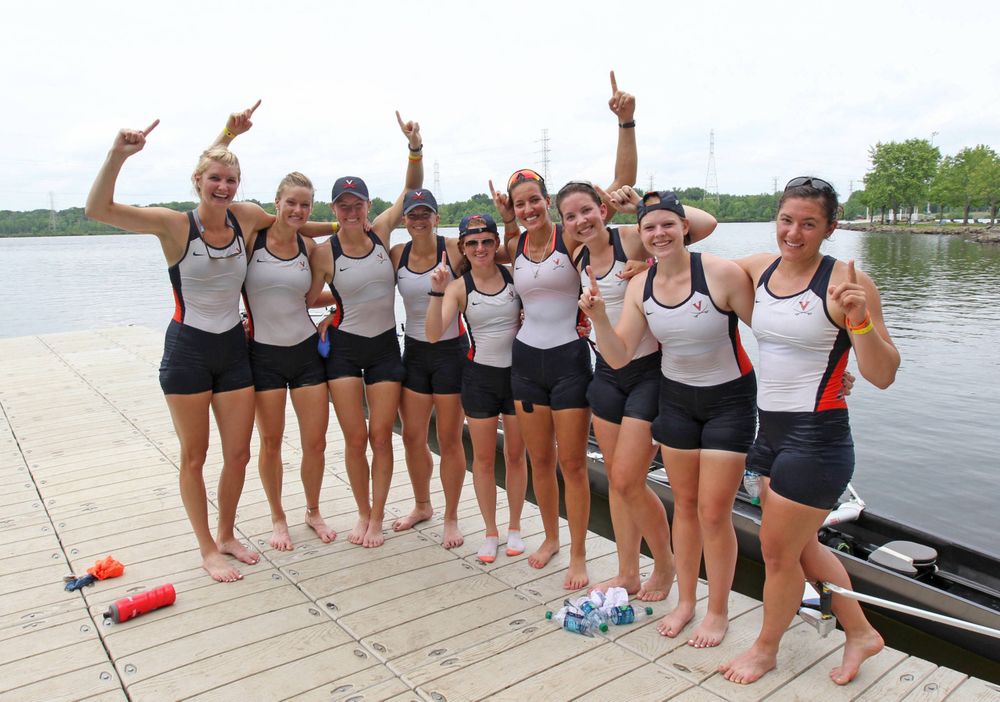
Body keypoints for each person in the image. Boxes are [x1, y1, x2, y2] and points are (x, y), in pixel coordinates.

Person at [719, 177, 898, 685]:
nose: (793, 233)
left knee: (777, 553)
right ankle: (861, 633)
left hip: (817, 440)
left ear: (831, 228)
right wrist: (642, 267)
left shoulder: (846, 283)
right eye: (786, 220)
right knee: (802, 548)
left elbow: (883, 374)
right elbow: (696, 266)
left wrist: (859, 321)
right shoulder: (760, 268)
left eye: (809, 224)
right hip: (770, 434)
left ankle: (765, 650)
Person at [85, 108, 275, 582]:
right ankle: (207, 547)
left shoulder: (247, 218)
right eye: (215, 179)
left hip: (233, 350)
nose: (223, 186)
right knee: (195, 456)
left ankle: (227, 534)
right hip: (188, 351)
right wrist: (117, 155)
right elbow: (98, 210)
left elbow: (293, 225)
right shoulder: (173, 225)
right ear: (197, 181)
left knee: (239, 454)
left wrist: (350, 230)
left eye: (231, 180)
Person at [580, 190, 757, 647]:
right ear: (640, 235)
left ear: (684, 228)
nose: (659, 234)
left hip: (728, 400)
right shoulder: (640, 285)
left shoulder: (720, 273)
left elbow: (772, 333)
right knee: (686, 505)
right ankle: (686, 602)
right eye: (649, 228)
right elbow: (618, 356)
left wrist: (833, 372)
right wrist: (598, 317)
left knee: (714, 513)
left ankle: (717, 611)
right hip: (676, 400)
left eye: (667, 225)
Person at [489, 71, 637, 590]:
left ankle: (577, 554)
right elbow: (485, 259)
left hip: (571, 362)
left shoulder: (570, 238)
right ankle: (549, 537)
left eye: (535, 200)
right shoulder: (512, 247)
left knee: (574, 464)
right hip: (526, 364)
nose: (529, 208)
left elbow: (616, 193)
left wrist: (625, 124)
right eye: (520, 203)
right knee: (540, 459)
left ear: (547, 201)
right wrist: (505, 223)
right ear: (513, 209)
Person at [557, 181, 718, 603]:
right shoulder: (576, 256)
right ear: (564, 224)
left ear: (602, 209)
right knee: (616, 481)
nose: (581, 221)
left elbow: (705, 224)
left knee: (629, 480)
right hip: (606, 372)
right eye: (571, 216)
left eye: (587, 210)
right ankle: (628, 572)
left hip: (648, 373)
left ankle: (664, 565)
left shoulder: (631, 238)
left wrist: (641, 208)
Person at [308, 112, 424, 548]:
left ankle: (377, 518)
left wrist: (414, 148)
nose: (352, 211)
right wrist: (332, 311)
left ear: (368, 206)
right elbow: (308, 297)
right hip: (343, 349)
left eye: (358, 204)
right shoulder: (324, 253)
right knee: (356, 438)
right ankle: (361, 511)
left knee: (381, 437)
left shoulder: (382, 232)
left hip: (384, 349)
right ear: (334, 210)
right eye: (344, 205)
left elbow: (412, 189)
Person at [425, 214, 528, 563]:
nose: (480, 248)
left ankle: (515, 527)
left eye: (486, 241)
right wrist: (436, 291)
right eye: (472, 243)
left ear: (496, 244)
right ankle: (490, 532)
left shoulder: (513, 275)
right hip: (479, 378)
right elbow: (434, 334)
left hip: (517, 377)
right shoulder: (458, 287)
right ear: (463, 248)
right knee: (483, 459)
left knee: (515, 455)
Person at [241, 171, 335, 551]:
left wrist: (337, 312)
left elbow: (314, 296)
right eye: (291, 202)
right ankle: (278, 517)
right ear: (276, 202)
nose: (297, 210)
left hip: (305, 352)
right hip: (263, 354)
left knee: (316, 442)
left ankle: (313, 511)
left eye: (305, 204)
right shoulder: (252, 240)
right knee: (271, 441)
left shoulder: (309, 248)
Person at [389, 189, 468, 548]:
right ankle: (422, 505)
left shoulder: (453, 249)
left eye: (426, 213)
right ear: (404, 220)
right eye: (412, 215)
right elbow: (367, 292)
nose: (419, 220)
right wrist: (333, 313)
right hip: (415, 351)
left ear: (437, 217)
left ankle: (451, 517)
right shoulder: (397, 254)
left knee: (449, 439)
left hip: (451, 351)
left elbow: (494, 262)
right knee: (412, 436)